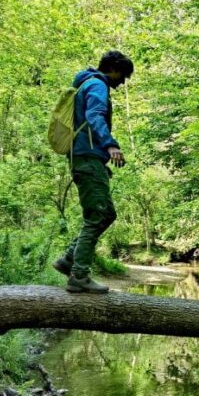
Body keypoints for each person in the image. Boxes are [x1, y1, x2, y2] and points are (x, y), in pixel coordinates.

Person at [53, 50, 134, 294]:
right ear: (115, 68)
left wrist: (101, 160)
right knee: (98, 215)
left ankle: (69, 259)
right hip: (87, 159)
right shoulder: (98, 85)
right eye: (124, 75)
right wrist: (110, 144)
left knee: (106, 213)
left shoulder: (85, 84)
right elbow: (94, 115)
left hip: (87, 159)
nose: (123, 82)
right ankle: (79, 275)